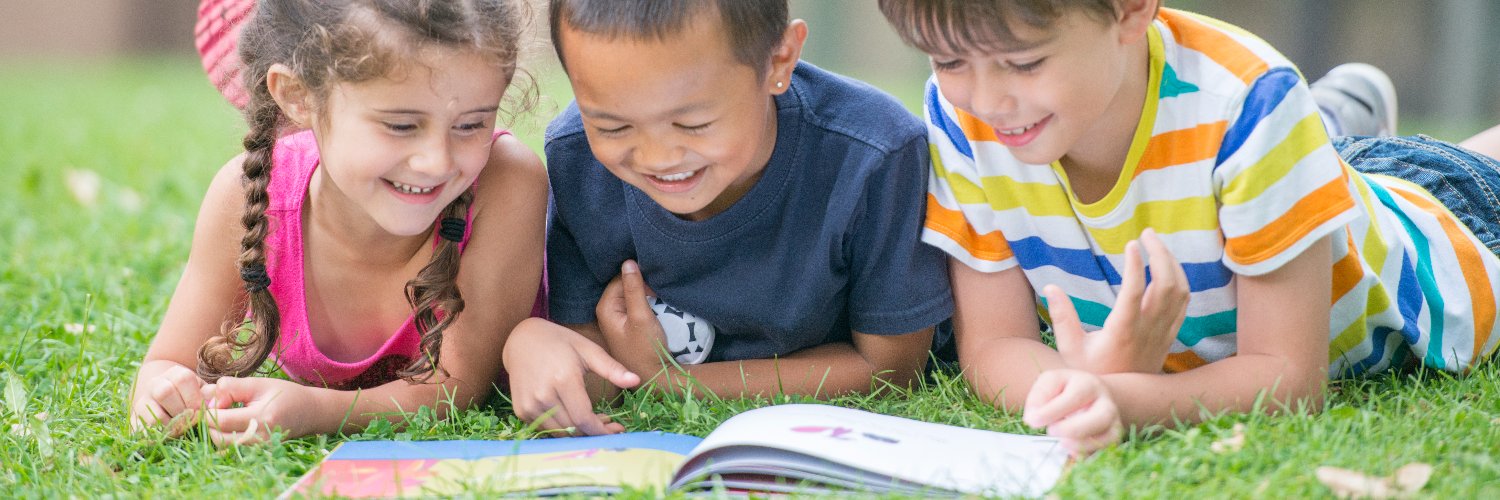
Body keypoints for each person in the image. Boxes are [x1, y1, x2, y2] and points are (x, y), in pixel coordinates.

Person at [877, 0, 1500, 455]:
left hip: (1439, 221)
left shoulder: (1251, 103)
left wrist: (1122, 398)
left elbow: (1288, 377)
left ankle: (1334, 124)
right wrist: (1077, 390)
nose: (987, 102)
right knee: (1301, 163)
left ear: (1130, 11)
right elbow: (992, 346)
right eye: (950, 59)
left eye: (1025, 62)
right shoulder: (957, 113)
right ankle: (1334, 118)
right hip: (1280, 182)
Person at [504, 0, 955, 436]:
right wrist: (534, 345)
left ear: (779, 60)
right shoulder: (578, 157)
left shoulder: (873, 155)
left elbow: (890, 369)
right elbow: (599, 378)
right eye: (613, 127)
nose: (658, 157)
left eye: (694, 123)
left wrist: (670, 383)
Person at [129, 0, 549, 445]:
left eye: (470, 125)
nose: (437, 162)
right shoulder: (249, 196)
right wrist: (163, 395)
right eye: (401, 125)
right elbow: (167, 363)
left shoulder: (506, 182)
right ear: (298, 96)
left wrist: (316, 411)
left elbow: (456, 389)